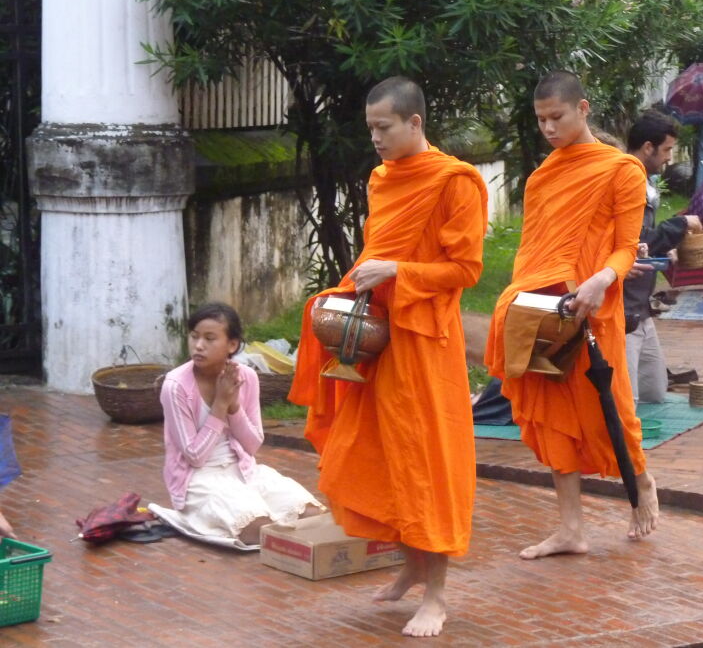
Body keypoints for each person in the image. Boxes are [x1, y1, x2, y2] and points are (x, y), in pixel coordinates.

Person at [289, 76, 488, 638]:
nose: (375, 138)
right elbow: (377, 254)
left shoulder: (456, 181)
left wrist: (400, 271)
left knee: (428, 461)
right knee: (378, 453)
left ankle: (439, 593)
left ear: (414, 123)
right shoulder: (381, 179)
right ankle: (408, 566)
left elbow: (466, 270)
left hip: (425, 343)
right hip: (379, 340)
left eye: (384, 127)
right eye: (370, 128)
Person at [485, 70, 659, 559]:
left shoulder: (622, 170)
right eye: (540, 119)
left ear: (583, 109)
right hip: (545, 307)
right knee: (552, 417)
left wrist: (603, 279)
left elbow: (625, 247)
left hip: (595, 305)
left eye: (556, 117)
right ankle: (571, 528)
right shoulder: (543, 176)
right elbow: (531, 249)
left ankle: (640, 480)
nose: (548, 128)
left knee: (614, 408)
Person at [154, 303, 323, 548]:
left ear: (231, 345)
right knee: (262, 530)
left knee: (311, 516)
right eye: (194, 337)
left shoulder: (247, 377)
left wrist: (234, 407)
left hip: (244, 469)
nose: (198, 345)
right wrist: (220, 405)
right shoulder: (176, 386)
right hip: (199, 479)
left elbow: (253, 445)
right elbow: (194, 456)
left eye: (210, 338)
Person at [623, 110, 702, 403]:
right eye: (667, 149)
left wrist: (663, 244)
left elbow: (643, 239)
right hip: (622, 309)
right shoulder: (626, 180)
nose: (669, 157)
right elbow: (633, 242)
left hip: (640, 307)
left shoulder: (644, 180)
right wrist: (679, 225)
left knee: (655, 393)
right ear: (648, 147)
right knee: (626, 400)